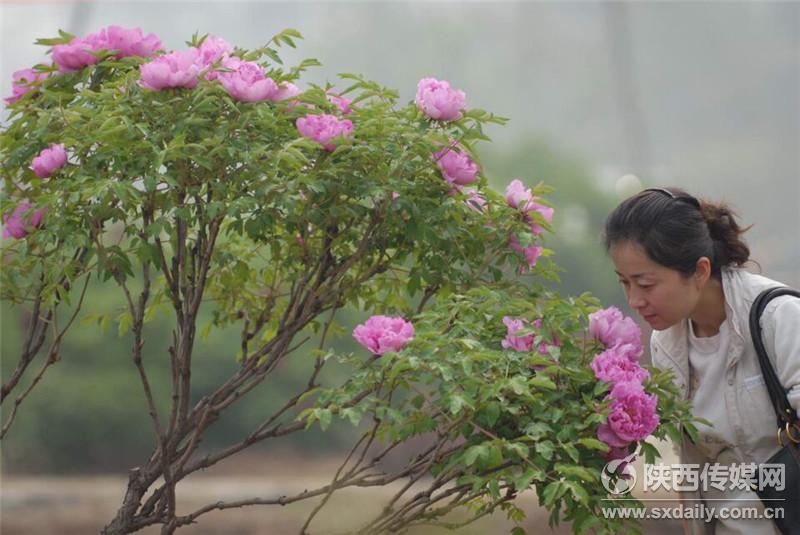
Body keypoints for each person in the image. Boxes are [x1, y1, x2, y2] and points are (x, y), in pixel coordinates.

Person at [603, 187, 800, 535]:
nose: (634, 300)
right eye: (625, 283)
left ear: (699, 271)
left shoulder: (779, 319)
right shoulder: (667, 344)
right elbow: (691, 464)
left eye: (645, 284)